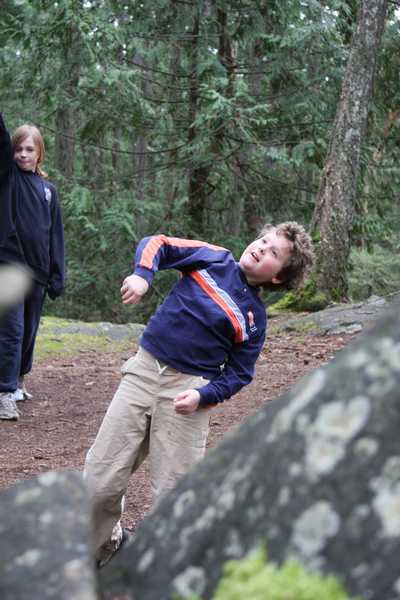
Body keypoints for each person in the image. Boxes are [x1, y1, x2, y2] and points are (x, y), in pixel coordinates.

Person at [84, 223, 314, 566]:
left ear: (278, 277)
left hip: (187, 395)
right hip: (143, 372)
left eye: (273, 252)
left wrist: (203, 395)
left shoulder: (254, 319)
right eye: (263, 240)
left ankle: (160, 573)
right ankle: (100, 551)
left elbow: (239, 373)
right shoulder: (213, 258)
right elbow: (158, 243)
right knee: (100, 481)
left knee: (175, 494)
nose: (261, 248)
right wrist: (143, 276)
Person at [0, 112, 65, 421]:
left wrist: (57, 273)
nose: (23, 154)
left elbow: (55, 235)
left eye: (30, 149)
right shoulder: (8, 179)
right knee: (12, 331)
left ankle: (18, 379)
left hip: (38, 274)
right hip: (10, 268)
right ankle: (3, 392)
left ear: (40, 153)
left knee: (29, 332)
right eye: (18, 149)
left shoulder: (48, 191)